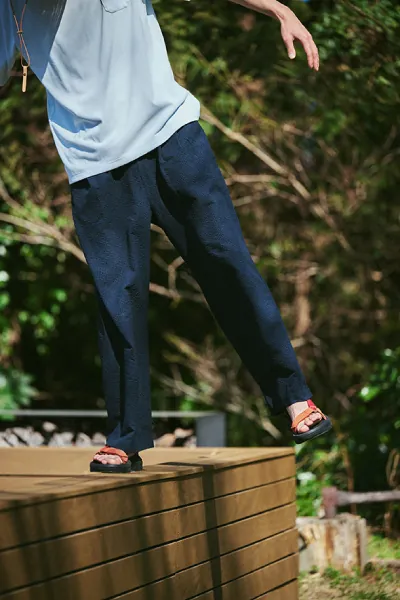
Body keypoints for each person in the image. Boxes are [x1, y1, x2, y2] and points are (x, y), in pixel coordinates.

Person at [1, 0, 332, 473]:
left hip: (172, 140)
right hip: (94, 167)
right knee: (118, 298)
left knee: (227, 263)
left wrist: (277, 9)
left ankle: (293, 396)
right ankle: (126, 436)